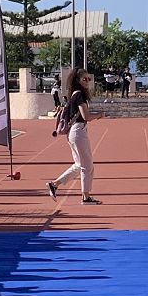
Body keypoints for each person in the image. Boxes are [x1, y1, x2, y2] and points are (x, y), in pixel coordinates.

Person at [46, 68, 103, 205]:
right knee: (87, 166)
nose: (87, 81)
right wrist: (99, 115)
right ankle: (86, 197)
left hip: (74, 132)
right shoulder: (79, 95)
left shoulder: (74, 95)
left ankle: (54, 185)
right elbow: (86, 116)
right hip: (78, 132)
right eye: (84, 79)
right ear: (78, 81)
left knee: (79, 165)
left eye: (89, 79)